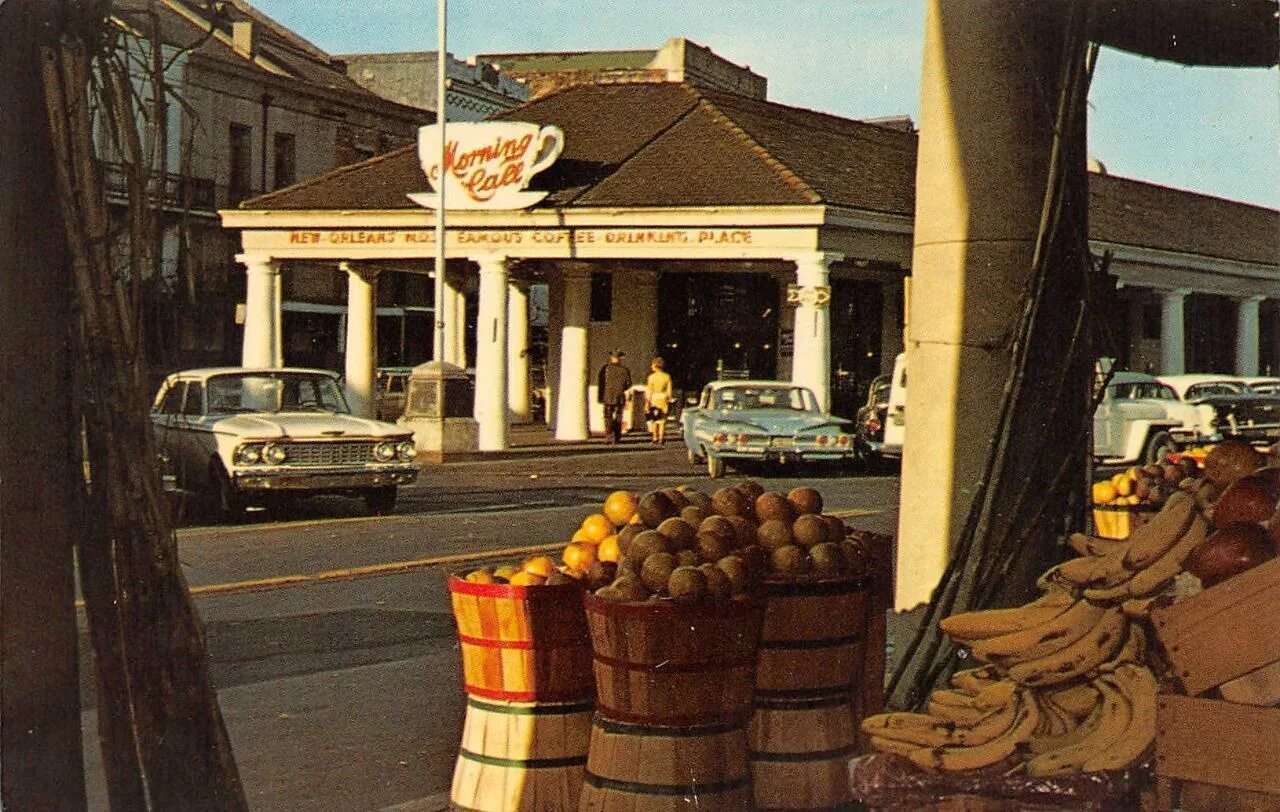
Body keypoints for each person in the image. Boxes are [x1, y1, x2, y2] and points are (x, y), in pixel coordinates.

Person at [597, 349, 632, 444]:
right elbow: (628, 384)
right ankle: (616, 436)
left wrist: (600, 397)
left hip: (607, 396)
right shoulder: (625, 370)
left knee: (607, 416)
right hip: (619, 397)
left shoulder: (605, 369)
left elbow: (601, 383)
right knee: (618, 416)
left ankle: (608, 435)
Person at [644, 357, 673, 444]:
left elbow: (649, 390)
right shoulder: (667, 377)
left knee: (654, 418)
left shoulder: (651, 377)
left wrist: (647, 402)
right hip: (663, 398)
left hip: (654, 398)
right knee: (662, 419)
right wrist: (669, 399)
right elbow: (669, 390)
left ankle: (655, 437)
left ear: (655, 366)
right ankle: (661, 437)